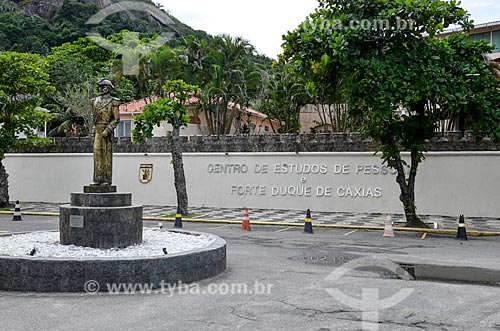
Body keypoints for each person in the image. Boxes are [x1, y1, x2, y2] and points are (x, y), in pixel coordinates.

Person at [91, 78, 120, 186]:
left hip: (106, 130)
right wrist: (94, 131)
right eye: (100, 87)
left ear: (108, 88)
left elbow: (116, 119)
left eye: (103, 87)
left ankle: (107, 180)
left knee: (107, 155)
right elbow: (93, 118)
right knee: (97, 154)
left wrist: (107, 130)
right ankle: (97, 178)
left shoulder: (114, 102)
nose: (101, 89)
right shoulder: (94, 101)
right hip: (97, 130)